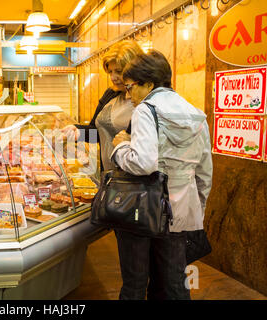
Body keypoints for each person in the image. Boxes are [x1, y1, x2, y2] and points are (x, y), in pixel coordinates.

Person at [110, 50, 213, 300]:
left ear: (149, 83)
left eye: (131, 87)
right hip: (178, 212)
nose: (128, 94)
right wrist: (195, 211)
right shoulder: (196, 113)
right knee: (174, 281)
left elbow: (144, 163)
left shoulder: (146, 110)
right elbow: (204, 172)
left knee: (135, 283)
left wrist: (120, 147)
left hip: (141, 208)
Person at [61, 40, 144, 171]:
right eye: (110, 71)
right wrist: (78, 131)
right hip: (109, 175)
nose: (113, 77)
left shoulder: (145, 101)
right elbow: (97, 131)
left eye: (119, 71)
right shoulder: (111, 94)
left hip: (132, 180)